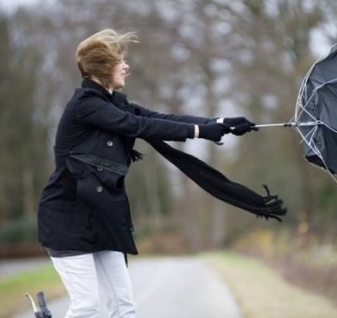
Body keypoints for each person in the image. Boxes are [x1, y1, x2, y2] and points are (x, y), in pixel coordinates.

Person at [37, 29, 256, 318]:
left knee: (124, 307)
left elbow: (158, 118)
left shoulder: (114, 102)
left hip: (103, 217)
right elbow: (137, 126)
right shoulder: (86, 106)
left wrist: (219, 122)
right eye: (120, 61)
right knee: (87, 306)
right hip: (68, 219)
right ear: (103, 67)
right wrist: (200, 131)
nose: (126, 66)